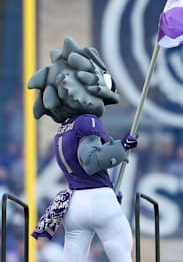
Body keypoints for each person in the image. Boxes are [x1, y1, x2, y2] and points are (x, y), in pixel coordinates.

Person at [28, 37, 138, 262]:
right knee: (122, 249)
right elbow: (90, 160)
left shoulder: (62, 130)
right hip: (98, 199)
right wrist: (122, 147)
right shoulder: (87, 120)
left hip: (74, 205)